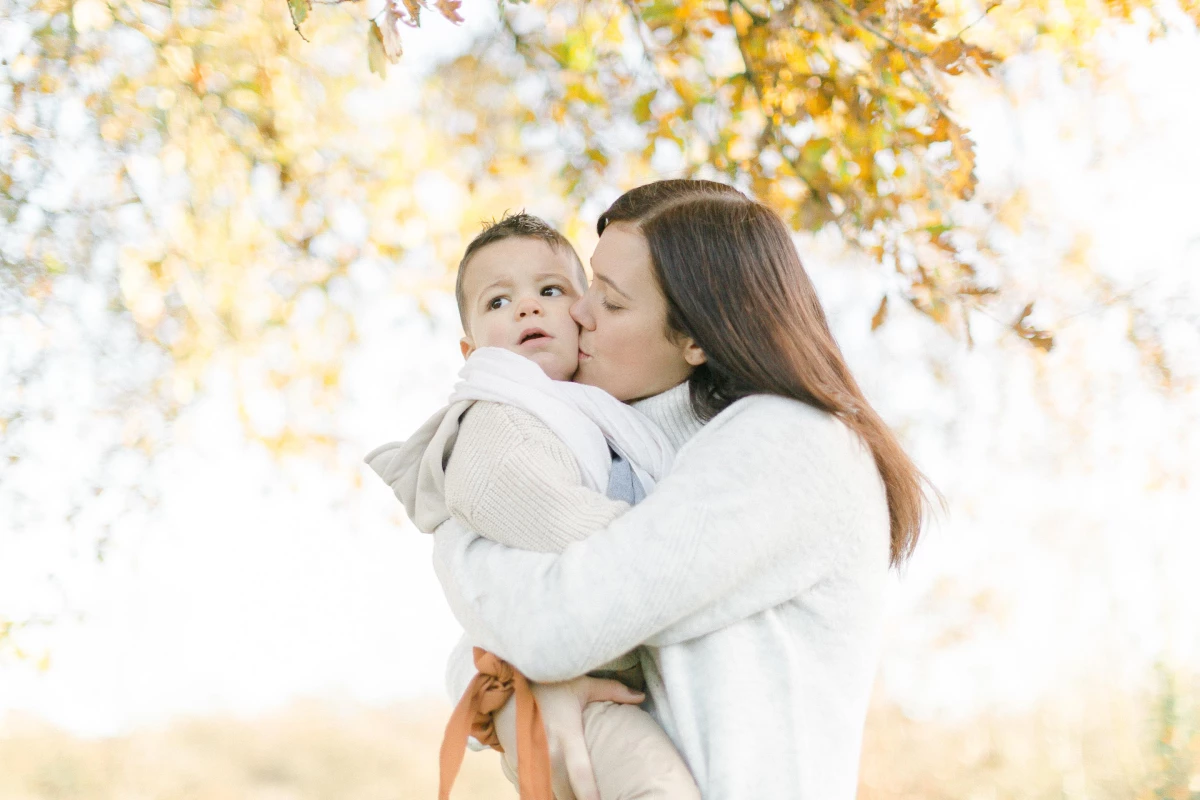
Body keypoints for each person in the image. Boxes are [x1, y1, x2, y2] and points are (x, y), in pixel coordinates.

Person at [433, 181, 932, 800]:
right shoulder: (640, 454)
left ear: (696, 339)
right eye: (587, 286)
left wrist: (455, 546)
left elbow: (553, 623)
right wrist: (517, 685)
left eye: (611, 303)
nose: (577, 312)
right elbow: (480, 649)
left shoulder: (785, 445)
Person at [364, 212, 701, 800]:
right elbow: (529, 505)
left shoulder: (595, 417)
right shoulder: (497, 413)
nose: (527, 308)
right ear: (471, 350)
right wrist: (661, 548)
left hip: (598, 681)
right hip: (550, 692)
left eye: (550, 291)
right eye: (499, 301)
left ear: (584, 319)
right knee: (660, 789)